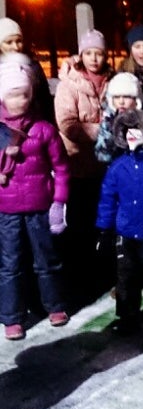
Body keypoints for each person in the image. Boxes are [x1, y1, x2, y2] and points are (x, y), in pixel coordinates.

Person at [0, 59, 70, 340]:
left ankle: (54, 305)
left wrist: (59, 202)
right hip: (6, 208)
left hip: (40, 204)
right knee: (9, 263)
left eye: (25, 94)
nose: (20, 100)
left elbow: (62, 167)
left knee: (47, 258)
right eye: (14, 94)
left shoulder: (44, 129)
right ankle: (11, 316)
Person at [95, 109, 143, 335]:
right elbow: (108, 199)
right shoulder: (118, 167)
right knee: (127, 277)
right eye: (127, 129)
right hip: (125, 233)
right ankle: (127, 315)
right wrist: (103, 230)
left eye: (137, 129)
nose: (131, 134)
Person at [54, 28, 116, 308]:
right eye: (89, 53)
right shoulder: (70, 84)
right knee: (79, 226)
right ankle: (79, 282)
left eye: (99, 53)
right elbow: (67, 123)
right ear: (82, 54)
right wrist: (102, 130)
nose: (94, 58)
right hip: (79, 164)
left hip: (106, 167)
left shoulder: (113, 81)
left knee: (105, 223)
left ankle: (104, 275)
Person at [0, 17, 55, 125]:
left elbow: (45, 101)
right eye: (9, 42)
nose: (15, 47)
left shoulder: (33, 67)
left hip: (35, 126)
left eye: (19, 41)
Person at [95, 72, 143, 164]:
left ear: (136, 99)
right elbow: (102, 156)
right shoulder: (108, 123)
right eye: (117, 97)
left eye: (126, 96)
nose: (121, 101)